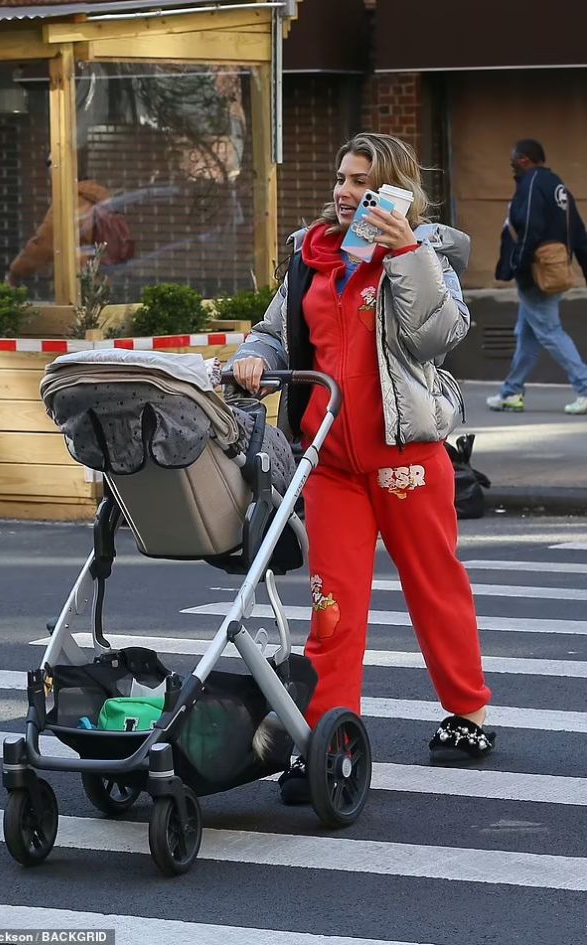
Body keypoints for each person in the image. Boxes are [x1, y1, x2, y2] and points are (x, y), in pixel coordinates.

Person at [228, 132, 494, 804]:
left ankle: (468, 712)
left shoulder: (426, 253)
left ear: (396, 190)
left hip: (406, 458)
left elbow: (438, 333)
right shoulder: (311, 255)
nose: (347, 193)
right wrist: (255, 356)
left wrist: (403, 248)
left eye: (363, 183)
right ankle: (325, 738)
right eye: (343, 179)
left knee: (434, 586)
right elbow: (277, 327)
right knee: (331, 607)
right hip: (331, 464)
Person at [488, 138, 587, 415]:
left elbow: (530, 224)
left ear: (524, 160)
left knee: (551, 332)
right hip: (554, 269)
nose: (512, 168)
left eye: (513, 162)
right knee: (528, 334)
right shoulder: (559, 186)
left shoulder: (531, 183)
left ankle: (585, 387)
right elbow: (578, 232)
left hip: (536, 272)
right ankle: (511, 392)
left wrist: (518, 263)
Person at [6, 157, 115, 285]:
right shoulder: (99, 196)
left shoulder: (69, 200)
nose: (49, 169)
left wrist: (16, 271)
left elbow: (44, 242)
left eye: (50, 163)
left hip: (79, 280)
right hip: (103, 276)